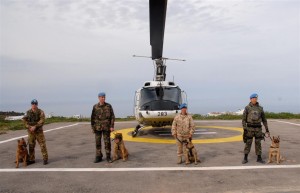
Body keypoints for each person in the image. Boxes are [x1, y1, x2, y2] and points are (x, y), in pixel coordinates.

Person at [242, 93, 270, 164]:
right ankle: (245, 158)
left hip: (258, 129)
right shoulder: (247, 108)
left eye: (256, 98)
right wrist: (245, 129)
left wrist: (267, 129)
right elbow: (243, 120)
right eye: (253, 98)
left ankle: (259, 158)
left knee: (258, 143)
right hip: (249, 129)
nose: (255, 99)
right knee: (248, 143)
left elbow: (264, 119)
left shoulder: (260, 108)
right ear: (250, 99)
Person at [91, 92, 115, 163]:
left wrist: (112, 126)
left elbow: (112, 117)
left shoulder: (108, 106)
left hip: (106, 128)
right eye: (102, 97)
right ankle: (99, 156)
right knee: (98, 143)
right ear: (98, 98)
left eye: (104, 97)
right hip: (97, 128)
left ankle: (108, 157)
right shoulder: (95, 107)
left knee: (107, 143)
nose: (103, 98)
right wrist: (93, 127)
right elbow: (92, 118)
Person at [22, 99, 48, 165]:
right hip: (31, 132)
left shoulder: (40, 112)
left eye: (35, 104)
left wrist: (35, 126)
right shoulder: (27, 112)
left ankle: (45, 159)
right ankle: (31, 159)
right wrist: (29, 127)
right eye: (33, 104)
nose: (34, 105)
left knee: (42, 145)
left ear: (37, 104)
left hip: (39, 131)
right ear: (31, 104)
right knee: (31, 146)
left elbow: (42, 120)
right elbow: (24, 121)